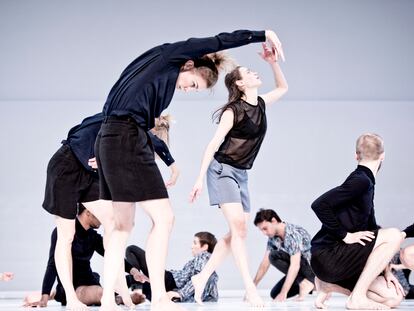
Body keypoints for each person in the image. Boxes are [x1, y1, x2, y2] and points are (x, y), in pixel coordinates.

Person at [95, 29, 285, 311]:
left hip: (109, 137)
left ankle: (108, 299)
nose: (186, 90)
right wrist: (262, 34)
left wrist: (167, 161)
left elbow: (133, 118)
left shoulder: (149, 69)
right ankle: (159, 298)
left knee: (120, 226)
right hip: (125, 136)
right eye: (193, 85)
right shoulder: (171, 56)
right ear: (189, 65)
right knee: (164, 218)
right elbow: (218, 41)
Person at [42, 113, 177, 310]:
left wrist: (172, 165)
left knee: (115, 224)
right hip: (66, 166)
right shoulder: (125, 120)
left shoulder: (134, 135)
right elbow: (82, 131)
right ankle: (71, 298)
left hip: (89, 172)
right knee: (66, 235)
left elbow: (154, 144)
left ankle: (120, 293)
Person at [189, 42, 288, 307]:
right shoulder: (233, 111)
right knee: (240, 229)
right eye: (249, 73)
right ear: (241, 84)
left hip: (242, 174)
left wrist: (272, 63)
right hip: (222, 171)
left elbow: (283, 88)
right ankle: (250, 289)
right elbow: (212, 145)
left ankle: (203, 276)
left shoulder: (261, 104)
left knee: (235, 233)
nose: (255, 74)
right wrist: (199, 178)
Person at [310, 133, 405, 309]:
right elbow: (319, 205)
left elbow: (372, 230)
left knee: (393, 298)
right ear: (383, 155)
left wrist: (386, 269)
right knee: (395, 235)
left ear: (356, 155)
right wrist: (344, 235)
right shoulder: (360, 181)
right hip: (329, 256)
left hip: (343, 260)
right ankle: (357, 298)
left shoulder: (367, 182)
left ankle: (329, 286)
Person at [24, 204, 145, 308]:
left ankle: (116, 297)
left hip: (89, 280)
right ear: (88, 212)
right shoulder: (62, 232)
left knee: (101, 291)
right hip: (72, 286)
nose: (103, 219)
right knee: (100, 294)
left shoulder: (93, 236)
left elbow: (112, 255)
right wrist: (44, 297)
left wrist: (133, 271)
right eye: (100, 214)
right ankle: (119, 298)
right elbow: (52, 265)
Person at [125, 231, 219, 303]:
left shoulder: (204, 256)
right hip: (170, 287)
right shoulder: (208, 264)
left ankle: (137, 287)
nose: (191, 246)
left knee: (132, 249)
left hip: (170, 280)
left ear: (205, 247)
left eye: (195, 243)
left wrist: (180, 294)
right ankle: (120, 297)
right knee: (131, 279)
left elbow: (198, 278)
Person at [252, 209, 315, 302]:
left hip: (312, 269)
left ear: (274, 221)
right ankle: (309, 284)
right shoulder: (273, 237)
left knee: (273, 255)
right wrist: (252, 288)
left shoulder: (292, 233)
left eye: (265, 228)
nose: (264, 233)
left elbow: (295, 265)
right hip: (301, 271)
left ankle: (310, 283)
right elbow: (265, 264)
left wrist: (284, 292)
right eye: (261, 230)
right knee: (274, 294)